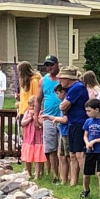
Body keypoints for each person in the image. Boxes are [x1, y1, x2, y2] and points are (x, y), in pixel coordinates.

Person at [57, 66, 88, 186]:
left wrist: (64, 106)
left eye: (61, 79)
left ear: (67, 79)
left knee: (80, 153)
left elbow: (63, 106)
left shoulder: (77, 87)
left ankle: (86, 178)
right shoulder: (72, 88)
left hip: (79, 122)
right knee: (72, 154)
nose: (60, 81)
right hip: (72, 122)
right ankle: (73, 181)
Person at [36, 55, 61, 183]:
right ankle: (55, 175)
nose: (49, 67)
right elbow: (38, 99)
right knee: (51, 148)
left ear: (57, 64)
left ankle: (65, 175)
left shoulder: (63, 79)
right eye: (47, 65)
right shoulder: (43, 80)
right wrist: (36, 117)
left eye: (51, 64)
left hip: (62, 117)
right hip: (47, 117)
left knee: (62, 149)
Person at [81, 98, 100, 199]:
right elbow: (85, 135)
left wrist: (95, 141)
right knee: (86, 173)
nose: (87, 113)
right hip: (90, 150)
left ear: (97, 110)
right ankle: (86, 189)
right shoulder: (88, 121)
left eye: (89, 111)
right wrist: (88, 142)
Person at [20, 95, 46, 180]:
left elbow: (42, 123)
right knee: (28, 156)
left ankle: (37, 174)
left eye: (34, 106)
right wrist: (30, 118)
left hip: (38, 138)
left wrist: (35, 118)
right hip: (28, 139)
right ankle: (29, 172)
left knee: (37, 157)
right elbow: (22, 123)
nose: (32, 108)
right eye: (30, 105)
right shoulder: (27, 113)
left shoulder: (41, 113)